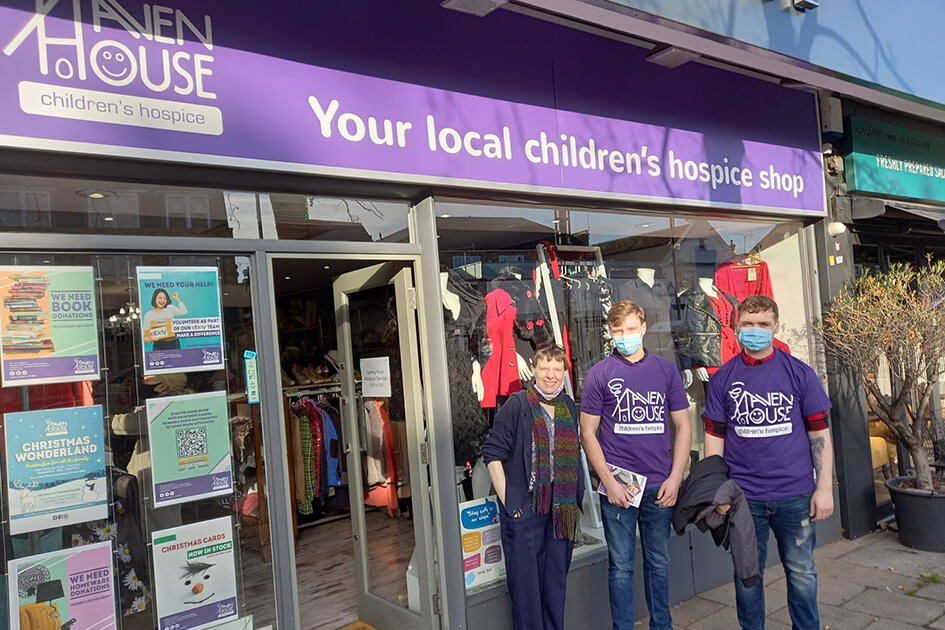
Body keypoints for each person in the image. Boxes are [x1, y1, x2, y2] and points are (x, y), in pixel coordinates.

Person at [702, 295, 834, 630]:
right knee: (747, 577)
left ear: (775, 326)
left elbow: (819, 434)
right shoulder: (723, 379)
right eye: (748, 324)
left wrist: (824, 488)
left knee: (802, 573)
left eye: (763, 324)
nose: (756, 330)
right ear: (736, 327)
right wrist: (716, 491)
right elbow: (714, 439)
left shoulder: (799, 374)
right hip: (744, 499)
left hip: (796, 495)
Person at [580, 300, 692, 630]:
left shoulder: (665, 370)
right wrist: (608, 482)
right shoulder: (600, 374)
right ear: (610, 333)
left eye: (630, 329)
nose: (625, 336)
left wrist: (676, 477)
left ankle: (662, 625)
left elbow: (684, 426)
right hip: (618, 488)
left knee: (658, 563)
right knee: (621, 567)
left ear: (643, 328)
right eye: (618, 331)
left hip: (659, 485)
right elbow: (588, 432)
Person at [481, 344, 584, 630]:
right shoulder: (518, 404)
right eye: (544, 368)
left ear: (564, 373)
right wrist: (511, 505)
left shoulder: (568, 407)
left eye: (557, 369)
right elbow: (492, 454)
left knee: (555, 586)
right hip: (526, 508)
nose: (550, 375)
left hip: (560, 510)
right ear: (534, 371)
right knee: (526, 591)